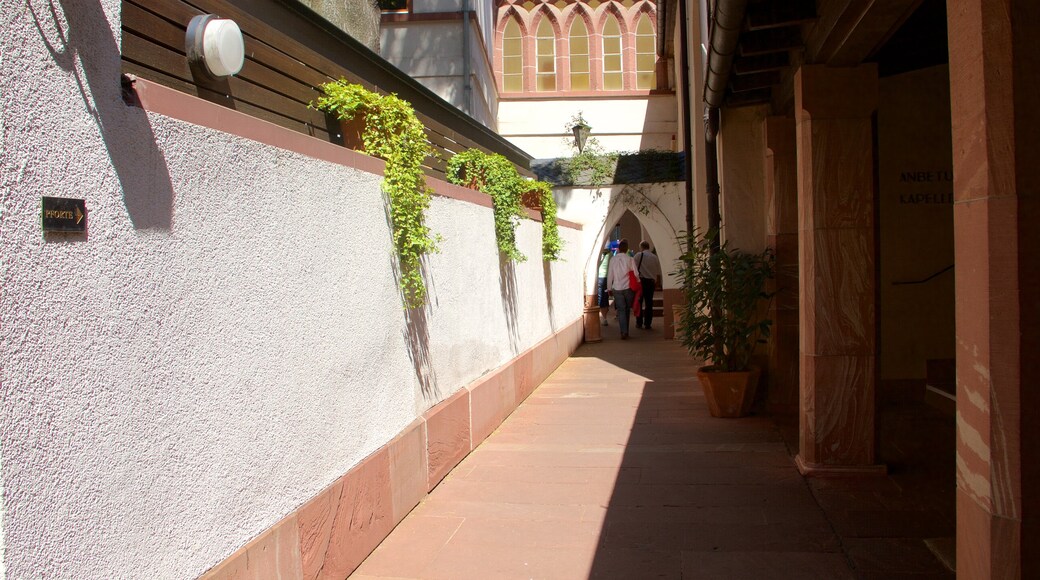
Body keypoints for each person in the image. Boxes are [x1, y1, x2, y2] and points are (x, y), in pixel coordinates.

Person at [607, 239, 640, 339]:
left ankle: (623, 331)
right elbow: (636, 274)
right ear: (627, 249)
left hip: (617, 287)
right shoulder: (630, 259)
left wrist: (609, 288)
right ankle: (626, 331)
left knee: (621, 309)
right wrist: (638, 282)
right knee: (626, 309)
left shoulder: (613, 259)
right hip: (628, 288)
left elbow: (610, 275)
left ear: (618, 248)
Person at [634, 241, 663, 330]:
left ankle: (639, 322)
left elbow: (633, 267)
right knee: (649, 303)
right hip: (651, 282)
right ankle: (648, 323)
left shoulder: (638, 255)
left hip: (641, 281)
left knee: (639, 302)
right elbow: (657, 271)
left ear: (641, 247)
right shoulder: (654, 257)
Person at [597, 247, 611, 326]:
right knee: (605, 298)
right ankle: (604, 318)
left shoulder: (599, 254)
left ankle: (600, 318)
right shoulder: (610, 254)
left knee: (599, 298)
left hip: (599, 277)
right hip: (606, 278)